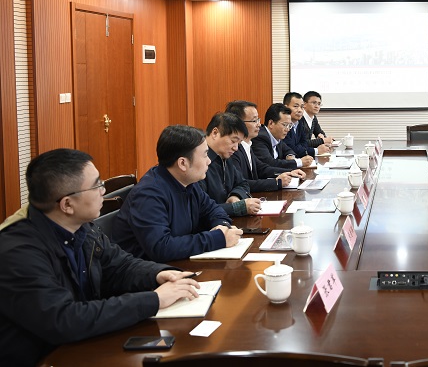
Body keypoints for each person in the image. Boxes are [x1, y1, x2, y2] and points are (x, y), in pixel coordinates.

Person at [0, 148, 202, 366]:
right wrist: (154, 300)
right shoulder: (18, 252)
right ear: (67, 204)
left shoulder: (82, 227)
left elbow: (120, 265)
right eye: (96, 185)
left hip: (81, 346)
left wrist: (158, 274)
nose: (103, 191)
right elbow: (64, 319)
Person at [115, 125, 242, 262]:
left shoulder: (189, 183)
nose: (209, 161)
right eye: (205, 155)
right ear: (182, 163)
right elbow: (161, 247)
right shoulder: (148, 194)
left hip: (178, 264)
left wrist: (222, 226)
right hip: (149, 271)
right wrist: (217, 238)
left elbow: (214, 210)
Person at [225, 100, 306, 192]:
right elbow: (240, 183)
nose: (259, 125)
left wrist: (290, 172)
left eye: (258, 120)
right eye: (254, 121)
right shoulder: (233, 150)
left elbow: (262, 168)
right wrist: (276, 183)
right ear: (238, 123)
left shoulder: (247, 144)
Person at [199, 112, 260, 216]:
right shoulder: (198, 161)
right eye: (233, 141)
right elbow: (201, 208)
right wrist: (237, 207)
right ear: (215, 133)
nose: (236, 148)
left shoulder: (225, 157)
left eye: (238, 143)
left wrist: (236, 196)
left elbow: (243, 183)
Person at [252, 103, 314, 169]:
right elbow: (270, 163)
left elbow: (288, 150)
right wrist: (299, 162)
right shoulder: (260, 137)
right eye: (285, 125)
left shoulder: (277, 136)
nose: (287, 129)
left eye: (289, 125)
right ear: (271, 123)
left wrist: (290, 156)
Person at [283, 92, 331, 158]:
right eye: (296, 106)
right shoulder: (284, 125)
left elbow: (304, 144)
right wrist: (316, 150)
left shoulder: (298, 123)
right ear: (286, 108)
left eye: (301, 107)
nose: (300, 110)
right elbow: (292, 149)